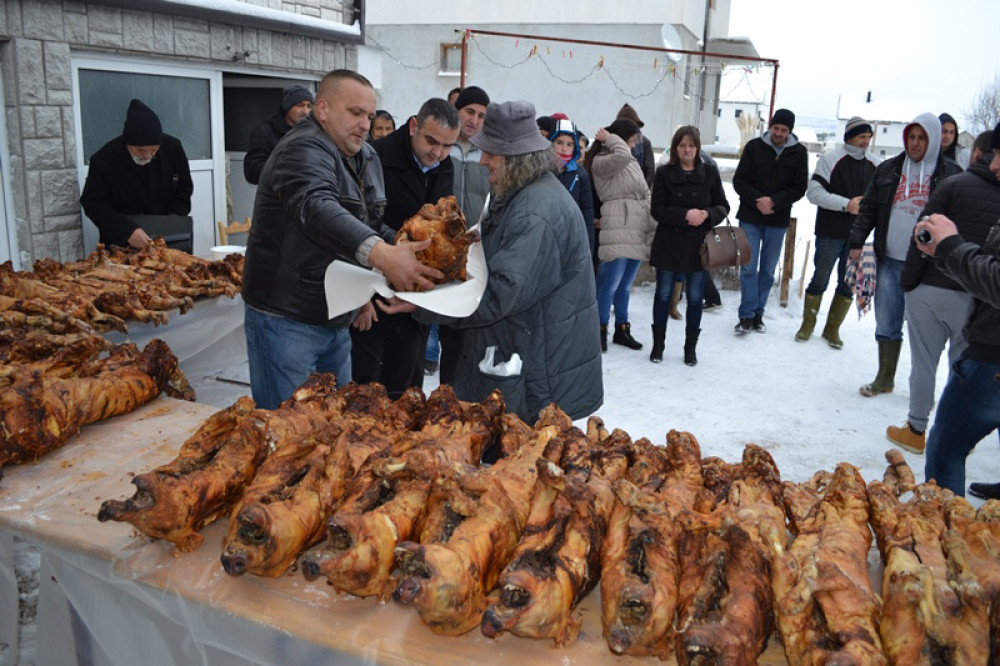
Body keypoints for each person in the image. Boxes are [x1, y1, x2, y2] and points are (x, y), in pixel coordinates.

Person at [383, 100, 603, 423]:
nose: (483, 160)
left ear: (516, 158)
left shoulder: (535, 212)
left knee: (516, 451)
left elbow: (500, 294)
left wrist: (423, 305)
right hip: (523, 350)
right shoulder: (520, 190)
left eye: (491, 152)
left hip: (536, 373)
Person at [241, 69, 441, 410]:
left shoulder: (366, 156)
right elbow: (317, 207)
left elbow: (368, 223)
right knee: (288, 428)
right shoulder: (302, 148)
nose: (365, 125)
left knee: (335, 424)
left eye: (370, 116)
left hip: (336, 317)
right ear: (323, 109)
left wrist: (401, 246)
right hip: (287, 319)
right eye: (355, 113)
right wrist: (383, 255)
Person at [886, 123, 1000, 454]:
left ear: (975, 153)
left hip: (932, 288)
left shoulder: (953, 185)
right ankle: (957, 431)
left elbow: (921, 235)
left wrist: (909, 282)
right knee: (962, 364)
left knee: (924, 363)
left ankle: (916, 430)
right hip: (979, 296)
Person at [351, 98, 459, 398]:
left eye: (447, 146)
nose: (438, 152)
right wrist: (358, 297)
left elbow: (439, 230)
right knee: (365, 393)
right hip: (372, 299)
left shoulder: (444, 166)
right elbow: (355, 228)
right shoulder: (373, 158)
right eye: (431, 141)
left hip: (413, 301)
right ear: (413, 127)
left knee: (406, 391)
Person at [848, 113, 962, 396]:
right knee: (887, 320)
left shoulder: (952, 175)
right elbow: (869, 209)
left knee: (926, 331)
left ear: (933, 140)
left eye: (922, 138)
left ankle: (922, 389)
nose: (915, 143)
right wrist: (856, 241)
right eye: (911, 136)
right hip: (889, 259)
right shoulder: (889, 169)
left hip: (929, 266)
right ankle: (885, 378)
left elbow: (959, 220)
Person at [916, 205, 1000, 498]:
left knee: (947, 450)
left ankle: (945, 522)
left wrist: (951, 245)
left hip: (992, 359)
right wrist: (944, 253)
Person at [649, 125, 730, 365]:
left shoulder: (710, 173)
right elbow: (657, 209)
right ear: (675, 148)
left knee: (695, 297)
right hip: (669, 243)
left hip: (698, 246)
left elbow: (723, 205)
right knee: (663, 294)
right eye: (682, 145)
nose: (687, 150)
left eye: (691, 146)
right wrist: (685, 215)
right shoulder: (664, 173)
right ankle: (658, 345)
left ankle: (690, 348)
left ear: (698, 148)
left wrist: (707, 215)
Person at [796, 116, 880, 348]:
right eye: (861, 136)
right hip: (830, 232)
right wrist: (846, 204)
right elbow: (814, 193)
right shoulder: (831, 159)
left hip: (859, 237)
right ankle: (807, 325)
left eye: (868, 137)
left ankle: (832, 329)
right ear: (849, 137)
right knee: (820, 279)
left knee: (848, 284)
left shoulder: (876, 164)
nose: (865, 141)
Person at [428, 85, 491, 384]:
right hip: (437, 250)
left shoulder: (489, 154)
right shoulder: (441, 147)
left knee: (459, 332)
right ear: (456, 111)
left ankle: (449, 392)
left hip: (473, 253)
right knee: (429, 319)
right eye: (469, 111)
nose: (474, 120)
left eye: (481, 115)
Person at [732, 108, 809, 334]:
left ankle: (758, 313)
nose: (778, 133)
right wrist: (758, 200)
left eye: (783, 130)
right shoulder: (754, 147)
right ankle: (746, 315)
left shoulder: (799, 153)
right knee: (748, 268)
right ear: (770, 126)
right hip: (750, 216)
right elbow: (739, 180)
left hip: (777, 220)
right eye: (776, 128)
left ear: (789, 131)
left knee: (767, 271)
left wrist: (774, 201)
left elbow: (799, 187)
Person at [80, 98, 193, 249]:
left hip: (169, 238)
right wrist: (126, 231)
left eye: (154, 150)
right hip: (122, 242)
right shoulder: (104, 159)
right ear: (127, 143)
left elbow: (184, 189)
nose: (147, 156)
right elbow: (94, 203)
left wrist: (170, 222)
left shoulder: (172, 148)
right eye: (140, 150)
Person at [584, 118, 655, 352]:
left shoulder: (629, 159)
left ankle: (622, 329)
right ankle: (599, 330)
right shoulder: (602, 161)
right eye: (631, 141)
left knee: (625, 285)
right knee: (610, 284)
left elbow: (644, 190)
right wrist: (611, 138)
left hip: (637, 226)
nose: (633, 146)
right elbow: (622, 154)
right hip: (618, 225)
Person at [243, 84, 314, 185]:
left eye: (309, 106)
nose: (305, 111)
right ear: (287, 107)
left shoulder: (314, 132)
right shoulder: (265, 132)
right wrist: (286, 170)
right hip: (277, 193)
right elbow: (252, 172)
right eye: (300, 105)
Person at [549, 117, 595, 256]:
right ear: (550, 142)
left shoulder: (580, 174)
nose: (564, 148)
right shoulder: (541, 170)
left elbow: (587, 212)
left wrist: (588, 248)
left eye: (569, 144)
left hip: (570, 239)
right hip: (544, 236)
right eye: (559, 143)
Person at [616, 104, 655, 188]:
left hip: (639, 190)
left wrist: (643, 190)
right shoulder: (611, 142)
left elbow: (650, 171)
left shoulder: (645, 142)